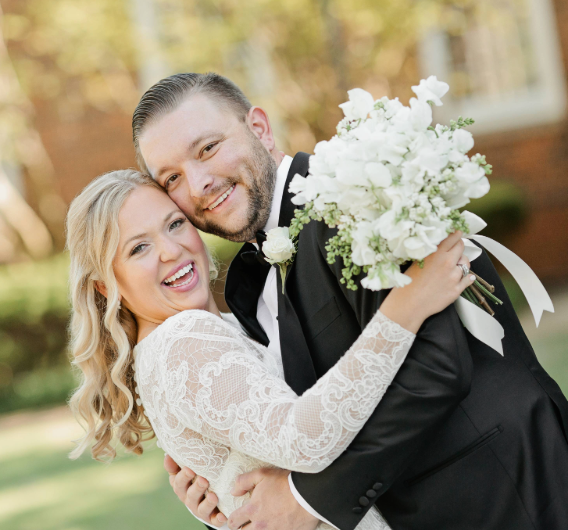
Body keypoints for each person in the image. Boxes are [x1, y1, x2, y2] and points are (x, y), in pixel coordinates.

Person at [132, 73, 568, 530]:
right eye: (172, 177)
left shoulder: (358, 190)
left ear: (259, 128)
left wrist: (306, 501)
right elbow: (308, 419)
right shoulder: (244, 288)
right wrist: (225, 496)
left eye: (207, 148)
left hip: (505, 494)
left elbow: (439, 363)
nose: (198, 183)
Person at [66, 169, 474, 530]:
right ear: (106, 284)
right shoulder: (183, 340)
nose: (170, 250)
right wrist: (407, 307)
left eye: (174, 224)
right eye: (138, 248)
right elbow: (303, 438)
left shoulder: (185, 339)